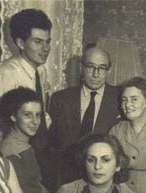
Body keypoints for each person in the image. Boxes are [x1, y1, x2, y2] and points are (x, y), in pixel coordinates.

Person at [48, 46, 120, 184]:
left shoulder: (119, 98)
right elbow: (51, 144)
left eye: (102, 68)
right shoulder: (60, 98)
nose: (96, 74)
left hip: (104, 178)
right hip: (66, 177)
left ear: (108, 71)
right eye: (90, 67)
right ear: (81, 68)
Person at [0, 8, 52, 153]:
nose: (45, 48)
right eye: (38, 42)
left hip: (35, 150)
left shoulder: (41, 72)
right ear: (20, 43)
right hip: (12, 154)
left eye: (48, 41)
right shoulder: (6, 73)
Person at [0, 87, 49, 193]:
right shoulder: (10, 152)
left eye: (38, 115)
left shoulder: (25, 144)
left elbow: (36, 185)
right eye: (27, 115)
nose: (35, 121)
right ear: (13, 116)